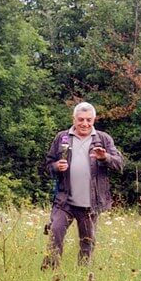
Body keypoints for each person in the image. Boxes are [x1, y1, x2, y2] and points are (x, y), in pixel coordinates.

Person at [42, 102, 123, 269]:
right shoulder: (62, 137)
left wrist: (104, 157)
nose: (85, 124)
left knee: (87, 243)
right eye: (81, 120)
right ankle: (49, 273)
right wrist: (57, 166)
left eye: (88, 120)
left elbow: (119, 164)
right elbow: (48, 165)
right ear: (74, 119)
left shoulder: (103, 138)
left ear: (94, 119)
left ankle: (83, 277)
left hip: (90, 204)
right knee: (55, 234)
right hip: (64, 201)